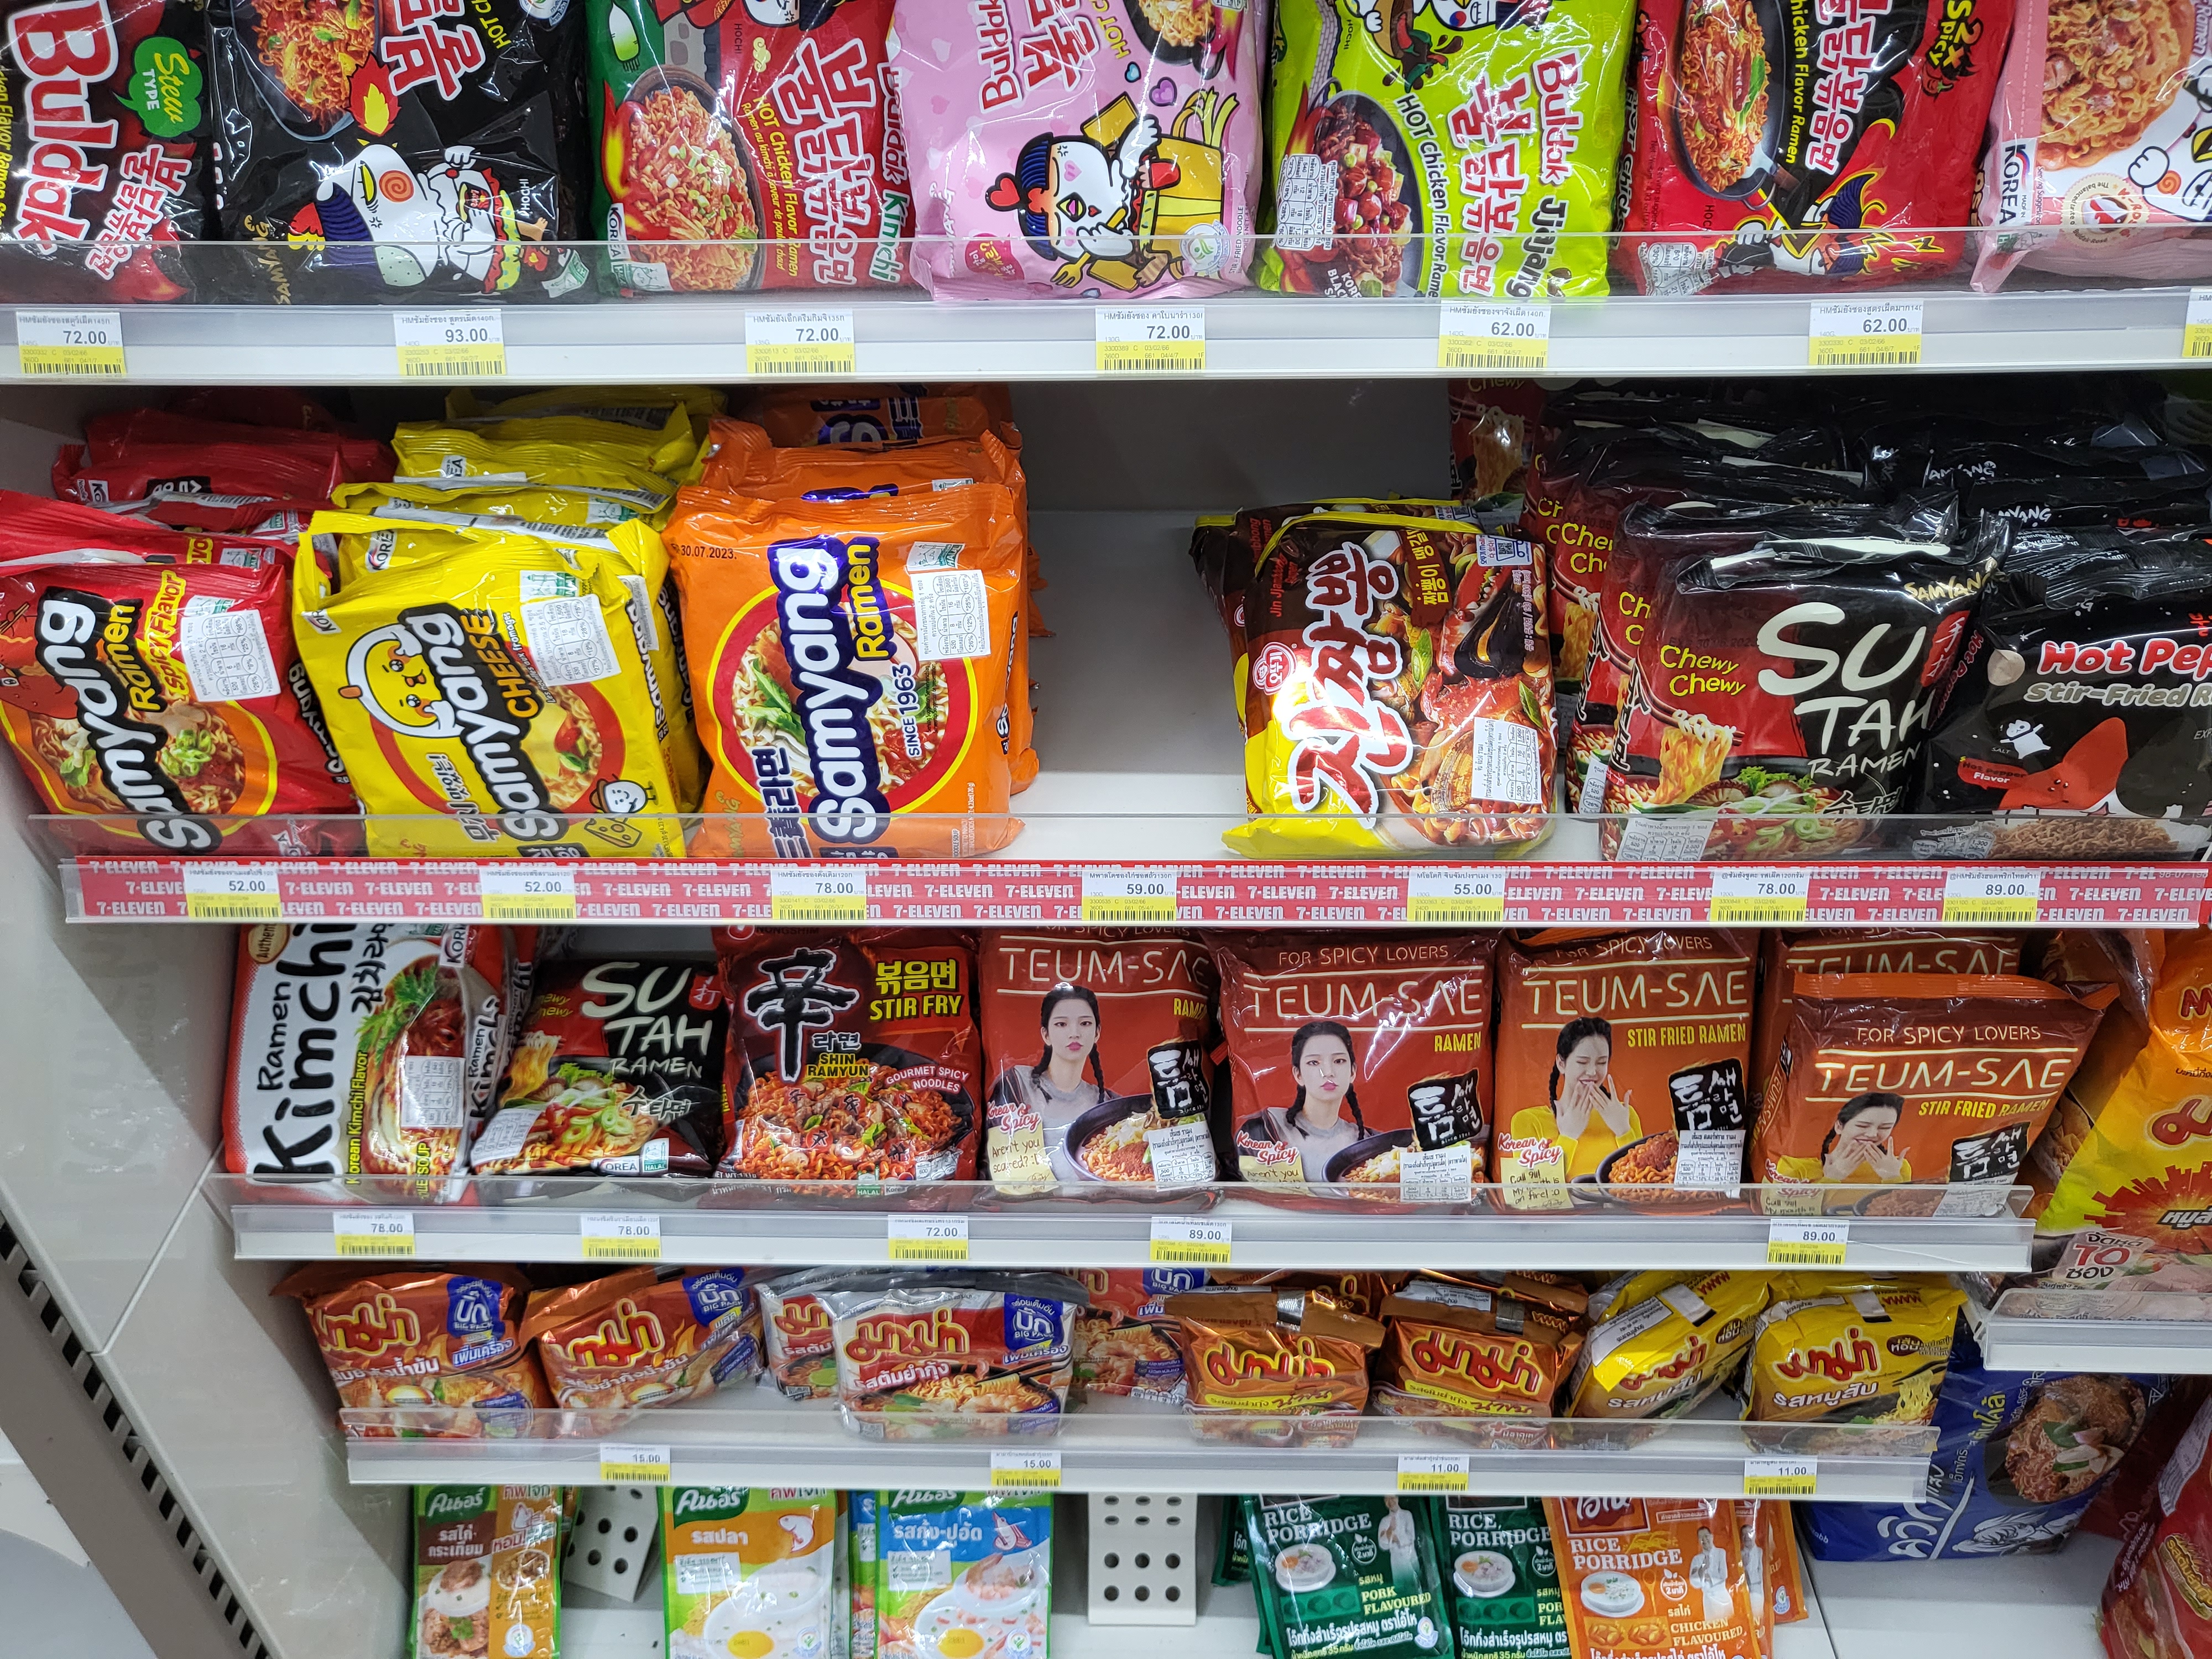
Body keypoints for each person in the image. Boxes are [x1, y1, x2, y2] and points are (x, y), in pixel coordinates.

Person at [989, 984, 1108, 1181]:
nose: (1074, 1033)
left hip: (1096, 1201)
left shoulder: (1108, 1102)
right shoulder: (1017, 1083)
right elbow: (997, 1162)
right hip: (1029, 1199)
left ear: (1097, 1033)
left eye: (1085, 1023)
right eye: (1062, 1024)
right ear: (1046, 1035)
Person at [1505, 1016, 1642, 1181]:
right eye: (1582, 1062)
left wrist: (1624, 1131)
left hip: (1615, 1200)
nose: (1592, 1072)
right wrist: (1568, 1137)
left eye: (1601, 1062)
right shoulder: (1529, 1121)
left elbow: (1643, 1182)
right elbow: (1530, 1187)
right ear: (1561, 1064)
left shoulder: (1625, 1115)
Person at [1250, 1021, 1369, 1182]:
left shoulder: (1368, 1141)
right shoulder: (1267, 1126)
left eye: (1339, 1061)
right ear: (1298, 1075)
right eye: (1314, 1063)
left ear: (1353, 1072)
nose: (1328, 1072)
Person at [1772, 1091, 1912, 1185]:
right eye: (1862, 1126)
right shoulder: (1794, 1166)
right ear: (1839, 1126)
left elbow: (1904, 1214)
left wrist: (1892, 1178)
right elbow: (1781, 1210)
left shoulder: (1898, 1167)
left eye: (1885, 1127)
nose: (1872, 1134)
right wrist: (1832, 1178)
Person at [1688, 1524, 1734, 1626]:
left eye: (1706, 1536)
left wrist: (1709, 1577)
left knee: (1729, 1624)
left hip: (1722, 1595)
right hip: (1708, 1598)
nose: (1705, 1540)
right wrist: (1703, 1568)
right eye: (1701, 1538)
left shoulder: (1721, 1553)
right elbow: (1694, 1582)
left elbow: (1723, 1575)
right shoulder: (1697, 1559)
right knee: (1713, 1626)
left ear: (1712, 1537)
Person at [1377, 1495, 1418, 1591]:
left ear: (1397, 1498)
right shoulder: (1385, 1521)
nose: (1390, 1502)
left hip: (1410, 1558)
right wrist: (1391, 1529)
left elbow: (1411, 1537)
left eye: (1392, 1498)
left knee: (1415, 1586)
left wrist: (1393, 1537)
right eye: (1386, 1499)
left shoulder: (1407, 1515)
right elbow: (1382, 1544)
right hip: (1396, 1560)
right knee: (1401, 1589)